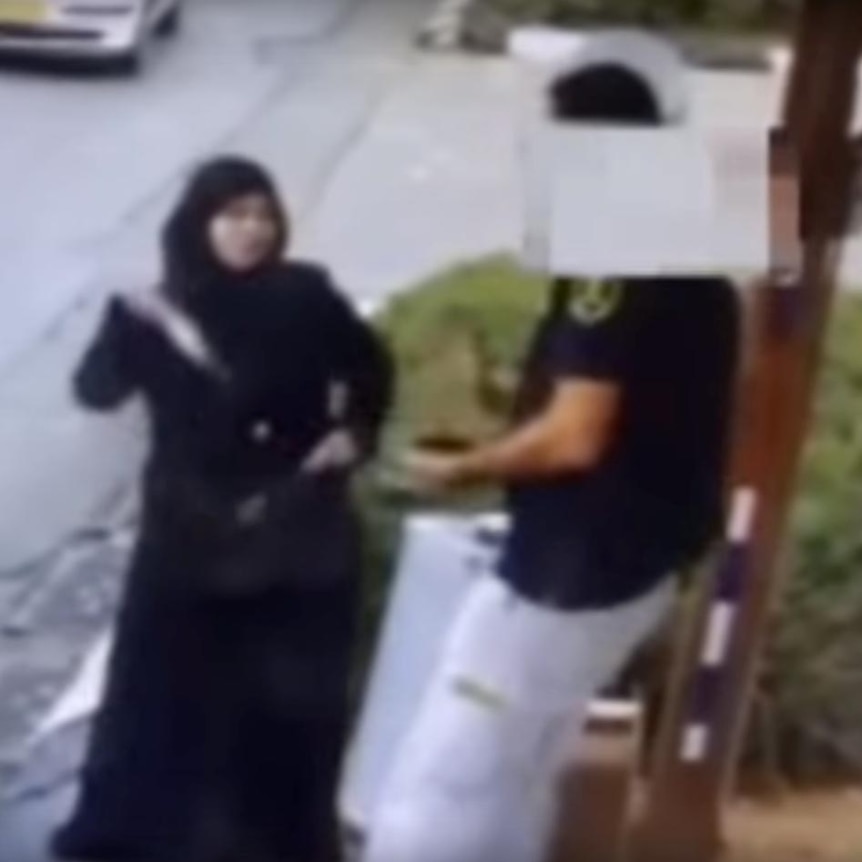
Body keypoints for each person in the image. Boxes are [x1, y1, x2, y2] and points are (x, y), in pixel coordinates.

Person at [363, 65, 741, 862]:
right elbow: (651, 401)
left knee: (448, 775)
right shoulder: (697, 265)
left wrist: (461, 469)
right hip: (638, 565)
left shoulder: (610, 264)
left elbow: (575, 436)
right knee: (523, 763)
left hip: (572, 569)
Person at [52, 156, 394, 862]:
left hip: (294, 531)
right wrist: (121, 338)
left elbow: (369, 368)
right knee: (164, 697)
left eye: (264, 215)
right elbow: (94, 392)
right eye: (234, 215)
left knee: (282, 710)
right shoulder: (150, 313)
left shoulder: (306, 295)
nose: (252, 231)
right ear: (198, 222)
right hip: (189, 534)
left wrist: (352, 435)